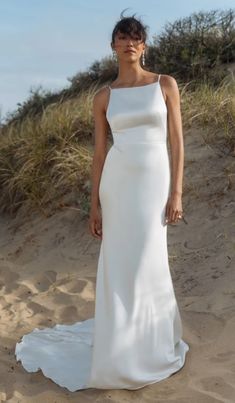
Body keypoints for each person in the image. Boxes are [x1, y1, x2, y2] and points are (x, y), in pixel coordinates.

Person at [14, 12, 189, 392]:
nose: (129, 43)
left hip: (154, 183)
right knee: (120, 262)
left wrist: (177, 191)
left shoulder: (165, 85)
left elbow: (176, 143)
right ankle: (122, 349)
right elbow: (98, 155)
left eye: (135, 38)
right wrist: (94, 205)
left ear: (144, 45)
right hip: (117, 184)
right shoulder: (104, 97)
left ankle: (150, 343)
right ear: (113, 47)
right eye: (122, 38)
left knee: (149, 257)